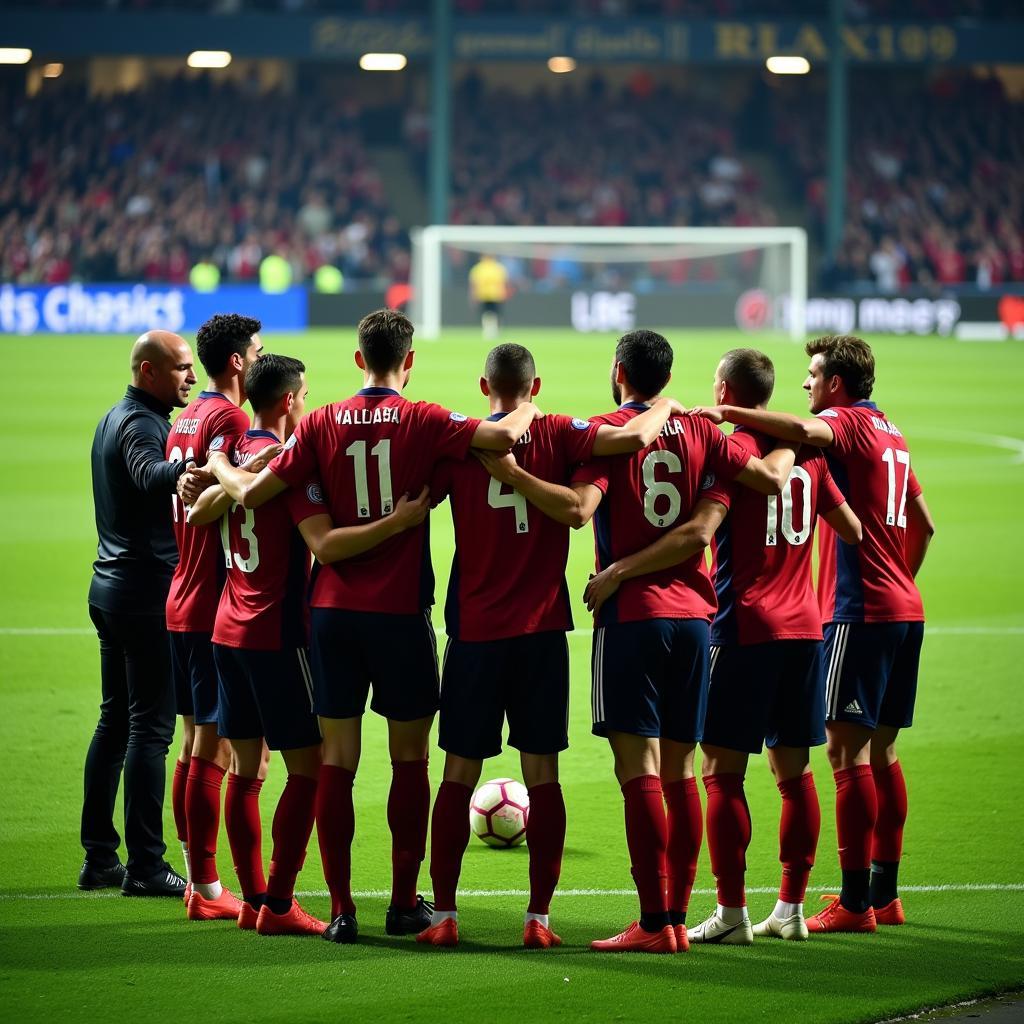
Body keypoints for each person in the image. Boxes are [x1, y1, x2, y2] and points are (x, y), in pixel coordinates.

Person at [202, 308, 541, 945]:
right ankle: (404, 901)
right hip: (399, 617)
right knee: (409, 759)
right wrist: (523, 408)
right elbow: (495, 442)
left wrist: (217, 470)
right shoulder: (429, 419)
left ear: (359, 360)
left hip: (330, 616)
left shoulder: (322, 421)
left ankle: (340, 909)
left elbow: (258, 488)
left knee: (337, 760)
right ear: (407, 362)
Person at [474, 329, 795, 954]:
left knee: (638, 772)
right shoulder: (704, 432)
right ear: (668, 379)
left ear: (619, 371)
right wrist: (779, 430)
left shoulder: (605, 433)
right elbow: (755, 481)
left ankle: (653, 919)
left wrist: (616, 572)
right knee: (680, 772)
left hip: (631, 621)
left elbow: (579, 509)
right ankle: (676, 916)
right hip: (698, 620)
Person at [586, 348, 861, 944]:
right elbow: (854, 531)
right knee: (795, 772)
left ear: (724, 389)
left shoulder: (730, 451)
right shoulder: (808, 452)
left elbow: (716, 513)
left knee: (719, 772)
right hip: (808, 627)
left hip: (743, 626)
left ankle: (731, 913)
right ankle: (790, 907)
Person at [416, 343, 684, 949]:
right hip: (540, 632)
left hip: (475, 632)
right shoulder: (564, 433)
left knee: (458, 770)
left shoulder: (463, 441)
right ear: (535, 384)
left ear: (484, 384)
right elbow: (627, 446)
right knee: (543, 774)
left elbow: (415, 503)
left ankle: (445, 917)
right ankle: (538, 919)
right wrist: (665, 404)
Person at [690, 334, 935, 933]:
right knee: (829, 762)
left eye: (815, 375)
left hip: (804, 617)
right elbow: (880, 526)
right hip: (841, 617)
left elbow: (703, 529)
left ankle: (820, 907)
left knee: (733, 768)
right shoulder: (882, 436)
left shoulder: (817, 434)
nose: (808, 385)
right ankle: (834, 902)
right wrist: (894, 573)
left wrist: (722, 418)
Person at [188, 354, 432, 937]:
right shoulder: (284, 461)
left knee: (246, 769)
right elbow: (318, 539)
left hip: (227, 629)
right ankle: (278, 902)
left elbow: (202, 512)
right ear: (291, 400)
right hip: (276, 631)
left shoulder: (241, 455)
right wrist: (399, 522)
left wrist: (221, 463)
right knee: (309, 772)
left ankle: (251, 901)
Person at [82, 330, 202, 898]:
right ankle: (147, 866)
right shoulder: (139, 424)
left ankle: (100, 856)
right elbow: (146, 471)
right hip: (144, 592)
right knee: (150, 730)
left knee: (114, 721)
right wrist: (184, 470)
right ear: (148, 371)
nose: (191, 377)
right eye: (181, 368)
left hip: (110, 586)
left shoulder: (115, 416)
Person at [165, 313, 262, 921]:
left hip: (181, 589)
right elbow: (223, 490)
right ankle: (205, 887)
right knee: (214, 746)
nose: (259, 358)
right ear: (236, 361)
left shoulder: (187, 417)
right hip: (208, 599)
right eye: (257, 351)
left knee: (192, 741)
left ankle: (194, 871)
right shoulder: (230, 417)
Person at [469, 254, 509, 341]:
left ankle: (492, 331)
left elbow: (503, 283)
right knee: (489, 314)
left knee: (491, 314)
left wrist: (473, 296)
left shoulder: (479, 268)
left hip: (492, 295)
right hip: (488, 295)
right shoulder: (497, 268)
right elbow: (474, 284)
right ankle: (490, 332)